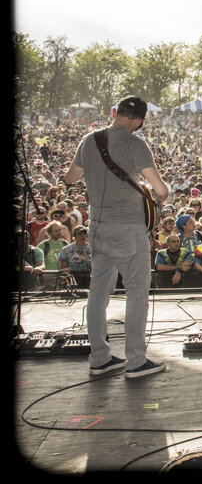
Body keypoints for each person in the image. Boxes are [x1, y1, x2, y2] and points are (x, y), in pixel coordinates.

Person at [63, 95, 170, 379]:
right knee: (136, 293)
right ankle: (136, 361)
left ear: (114, 112)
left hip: (97, 225)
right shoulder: (136, 143)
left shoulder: (89, 140)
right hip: (128, 229)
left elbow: (70, 178)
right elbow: (160, 190)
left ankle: (99, 358)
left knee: (98, 293)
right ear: (139, 121)